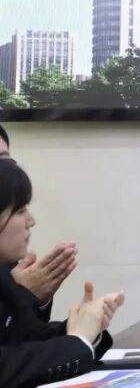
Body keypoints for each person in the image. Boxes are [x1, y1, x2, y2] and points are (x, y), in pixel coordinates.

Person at [0, 158, 124, 387]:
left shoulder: (6, 272)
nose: (31, 221)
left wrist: (86, 326)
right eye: (20, 210)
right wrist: (76, 342)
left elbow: (24, 340)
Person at [0, 124, 77, 321]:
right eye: (20, 211)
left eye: (5, 161)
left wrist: (39, 297)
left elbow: (27, 333)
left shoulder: (8, 259)